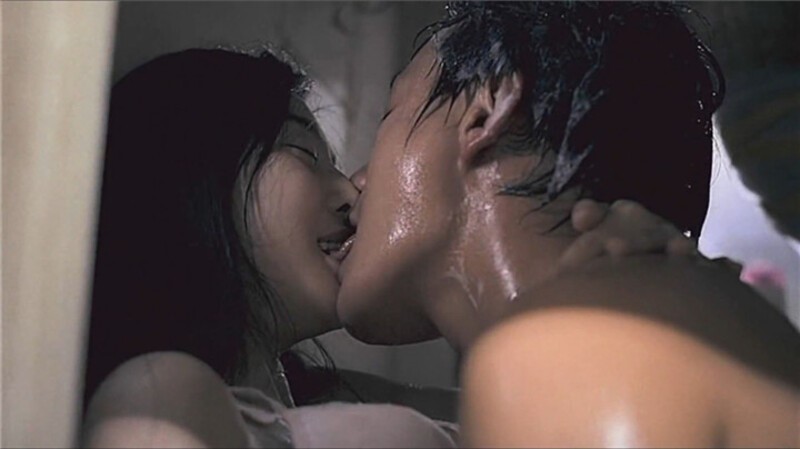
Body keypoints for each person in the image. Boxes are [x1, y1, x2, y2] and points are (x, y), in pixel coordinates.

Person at [82, 46, 692, 447]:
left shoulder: (337, 397)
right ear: (192, 172)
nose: (351, 191)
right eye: (303, 151)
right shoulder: (156, 391)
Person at [336, 2, 800, 447]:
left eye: (387, 116)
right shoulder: (655, 314)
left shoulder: (569, 339)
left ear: (487, 110)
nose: (356, 181)